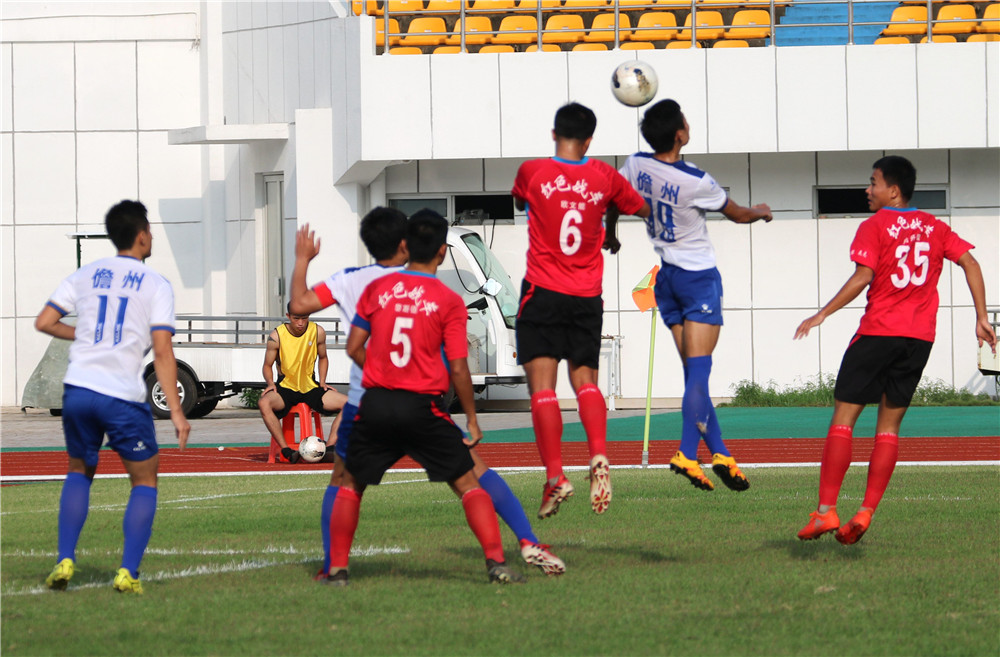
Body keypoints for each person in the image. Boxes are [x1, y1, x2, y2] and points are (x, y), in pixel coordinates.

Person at [290, 207, 564, 579]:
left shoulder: (360, 282)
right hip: (422, 400)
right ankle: (515, 548)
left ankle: (334, 567)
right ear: (413, 245)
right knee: (471, 477)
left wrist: (303, 259)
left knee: (344, 482)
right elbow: (457, 364)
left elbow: (302, 309)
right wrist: (469, 415)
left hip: (368, 400)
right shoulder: (438, 292)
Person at [794, 155, 997, 544]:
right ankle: (866, 512)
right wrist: (981, 316)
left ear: (893, 189)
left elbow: (864, 275)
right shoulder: (935, 227)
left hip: (878, 332)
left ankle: (825, 512)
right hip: (918, 339)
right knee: (888, 429)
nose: (867, 190)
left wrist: (822, 314)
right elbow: (970, 262)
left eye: (873, 182)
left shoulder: (875, 226)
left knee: (843, 420)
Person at [35, 200, 191, 595]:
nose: (151, 235)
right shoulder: (156, 284)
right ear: (141, 236)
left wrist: (86, 336)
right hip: (119, 394)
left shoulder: (86, 275)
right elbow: (162, 352)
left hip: (78, 389)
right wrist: (176, 410)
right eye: (150, 230)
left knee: (78, 472)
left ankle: (65, 559)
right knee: (145, 480)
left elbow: (45, 321)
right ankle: (128, 573)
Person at [619, 99, 772, 493]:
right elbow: (737, 214)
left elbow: (615, 196)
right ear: (680, 134)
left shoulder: (636, 165)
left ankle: (720, 452)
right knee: (700, 372)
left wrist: (608, 233)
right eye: (684, 121)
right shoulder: (696, 180)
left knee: (693, 376)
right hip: (698, 279)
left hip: (666, 278)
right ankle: (687, 452)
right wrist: (761, 211)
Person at [512, 102, 650, 519]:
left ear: (554, 133)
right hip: (587, 295)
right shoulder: (605, 176)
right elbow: (639, 207)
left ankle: (555, 475)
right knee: (586, 380)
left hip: (542, 291)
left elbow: (521, 204)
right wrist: (609, 226)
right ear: (590, 139)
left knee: (543, 388)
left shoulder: (532, 171)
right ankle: (599, 456)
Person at [259, 304, 347, 463]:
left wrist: (322, 381)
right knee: (264, 403)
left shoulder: (318, 332)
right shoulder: (277, 336)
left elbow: (323, 357)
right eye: (296, 318)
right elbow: (267, 365)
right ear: (288, 316)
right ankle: (286, 450)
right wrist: (270, 383)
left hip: (310, 387)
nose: (300, 323)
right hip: (285, 388)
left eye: (304, 318)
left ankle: (330, 448)